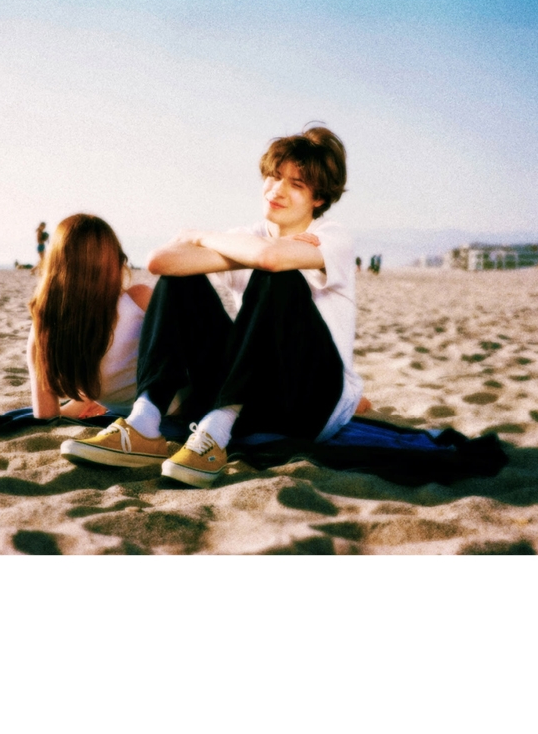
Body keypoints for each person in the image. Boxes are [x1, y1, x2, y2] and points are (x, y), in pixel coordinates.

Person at [63, 126, 364, 488]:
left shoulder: (333, 236)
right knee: (181, 280)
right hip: (256, 399)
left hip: (311, 402)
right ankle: (145, 422)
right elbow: (161, 261)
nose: (277, 190)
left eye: (296, 185)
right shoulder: (248, 237)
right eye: (273, 176)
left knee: (281, 276)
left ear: (318, 198)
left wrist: (204, 238)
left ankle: (215, 432)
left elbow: (270, 260)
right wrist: (243, 252)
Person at [29, 214, 157, 458]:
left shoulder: (42, 330)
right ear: (114, 262)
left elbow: (46, 418)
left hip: (120, 409)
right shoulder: (138, 300)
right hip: (172, 409)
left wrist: (90, 399)